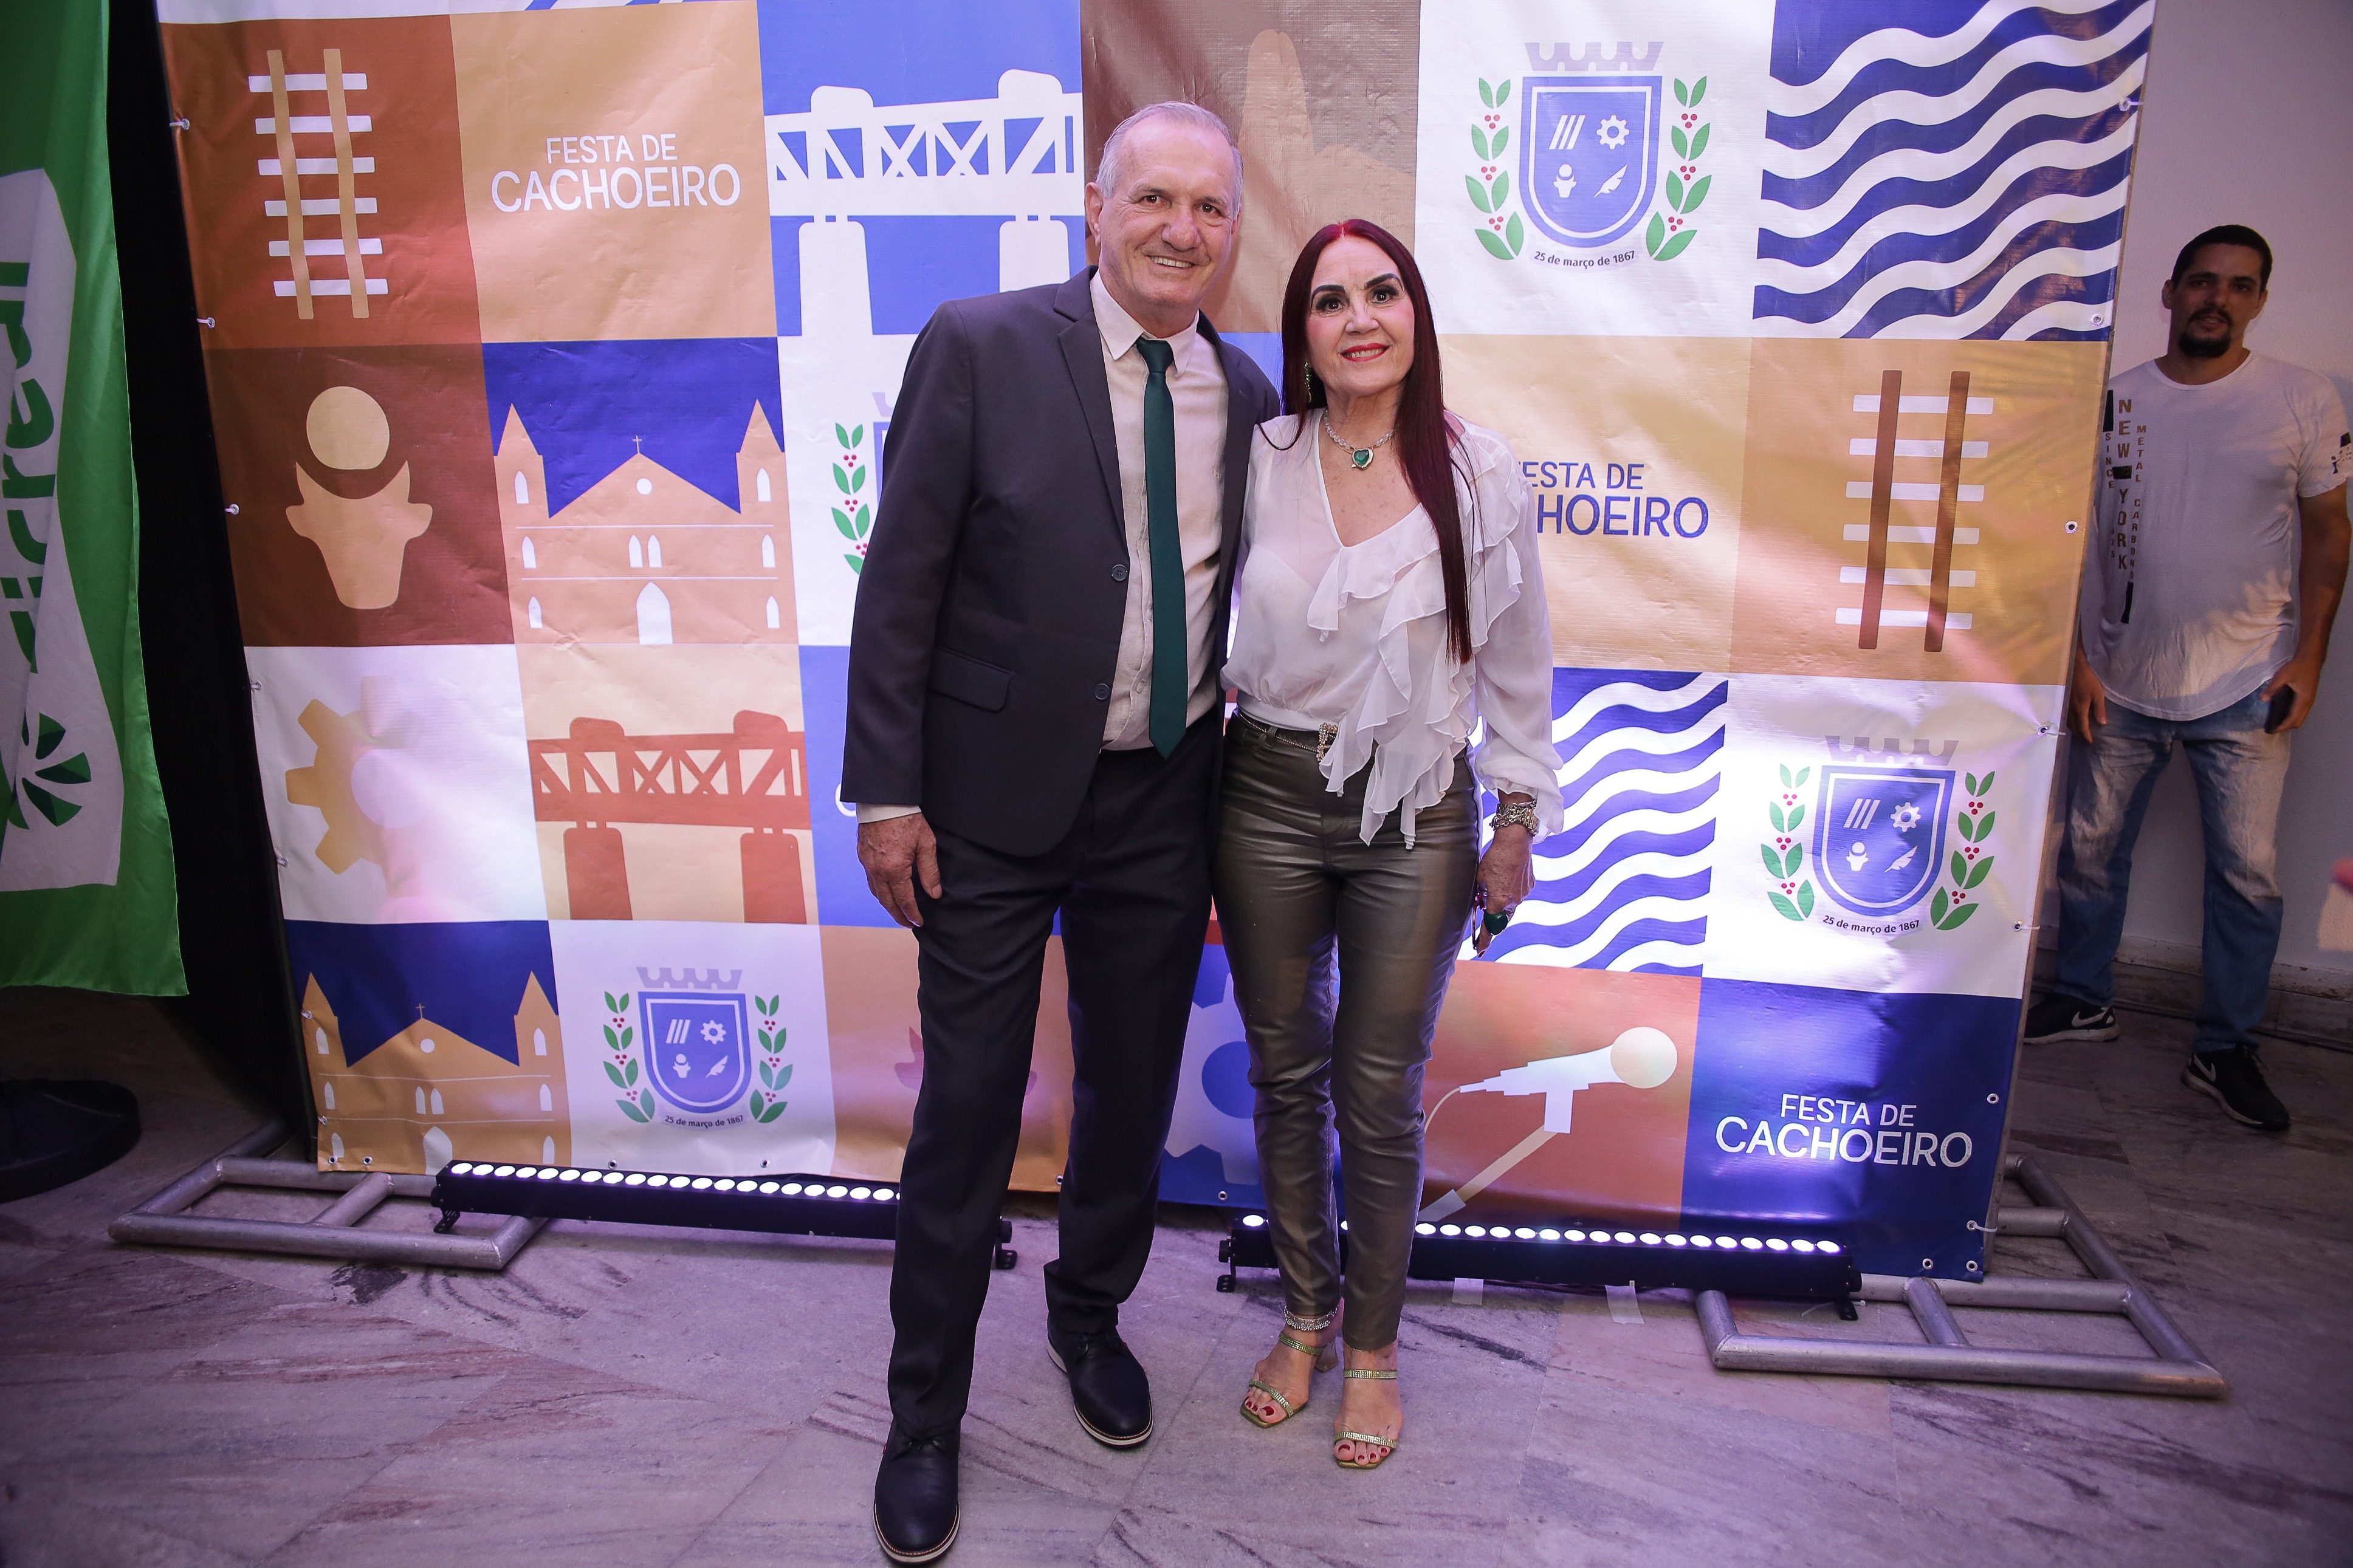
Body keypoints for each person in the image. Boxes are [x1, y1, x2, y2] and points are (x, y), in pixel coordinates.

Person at [840, 100, 1279, 1564]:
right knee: (967, 1106)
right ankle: (923, 1413)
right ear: (1096, 212)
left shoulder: (1250, 395)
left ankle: (1088, 1318)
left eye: (1207, 208)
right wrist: (886, 794)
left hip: (1164, 797)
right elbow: (901, 576)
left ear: (1233, 232)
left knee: (1131, 1091)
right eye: (1152, 198)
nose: (1179, 230)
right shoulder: (980, 343)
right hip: (983, 805)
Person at [1216, 220, 1562, 1469]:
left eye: (1382, 292)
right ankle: (1303, 1318)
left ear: (1415, 313)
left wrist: (1515, 819)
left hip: (1419, 807)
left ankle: (1371, 1347)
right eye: (1329, 301)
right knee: (1283, 1074)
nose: (1358, 318)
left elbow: (1518, 667)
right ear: (1301, 335)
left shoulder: (1480, 471)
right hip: (1262, 794)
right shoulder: (1256, 457)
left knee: (1377, 1090)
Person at [2024, 224, 2349, 1134]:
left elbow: (2331, 533)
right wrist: (2077, 661)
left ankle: (2226, 1047)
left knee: (2248, 875)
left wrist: (2310, 659)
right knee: (2089, 854)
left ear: (2260, 300)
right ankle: (2083, 998)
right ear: (2169, 293)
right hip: (2119, 677)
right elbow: (2064, 539)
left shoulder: (2300, 398)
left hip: (2251, 682)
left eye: (2240, 285)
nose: (2218, 299)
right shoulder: (2115, 400)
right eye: (2202, 282)